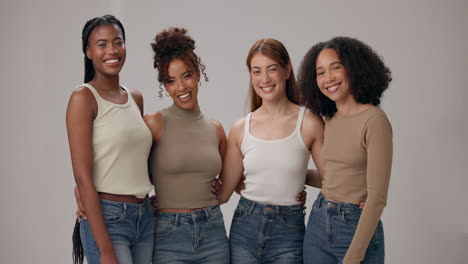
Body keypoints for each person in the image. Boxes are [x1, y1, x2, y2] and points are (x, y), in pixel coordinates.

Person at [217, 38, 325, 264]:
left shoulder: (310, 122)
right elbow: (224, 193)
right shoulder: (240, 128)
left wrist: (295, 176)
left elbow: (331, 179)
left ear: (287, 70)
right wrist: (170, 198)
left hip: (289, 232)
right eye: (257, 71)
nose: (264, 79)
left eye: (271, 69)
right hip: (244, 228)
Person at [67, 15, 154, 264]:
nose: (112, 51)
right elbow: (82, 175)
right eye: (102, 44)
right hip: (108, 219)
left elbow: (134, 159)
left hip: (145, 217)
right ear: (88, 51)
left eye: (118, 42)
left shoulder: (135, 97)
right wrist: (105, 251)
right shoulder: (83, 98)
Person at [298, 36, 393, 264]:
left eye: (335, 68)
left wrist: (354, 256)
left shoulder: (374, 120)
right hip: (319, 222)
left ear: (354, 69)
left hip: (354, 226)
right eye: (320, 72)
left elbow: (377, 198)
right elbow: (334, 178)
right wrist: (288, 173)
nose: (327, 78)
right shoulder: (329, 118)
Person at [144, 27, 230, 263]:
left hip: (213, 232)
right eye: (170, 81)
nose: (181, 87)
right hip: (169, 236)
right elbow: (124, 168)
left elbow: (237, 179)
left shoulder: (216, 130)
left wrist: (292, 190)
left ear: (198, 73)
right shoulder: (154, 123)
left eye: (187, 75)